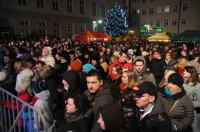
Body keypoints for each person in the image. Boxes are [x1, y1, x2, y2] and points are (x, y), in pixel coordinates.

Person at [182, 66, 200, 132]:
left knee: (195, 129)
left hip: (193, 112)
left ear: (190, 73)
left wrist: (189, 104)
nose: (183, 72)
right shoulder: (182, 82)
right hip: (183, 111)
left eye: (185, 71)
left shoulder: (197, 85)